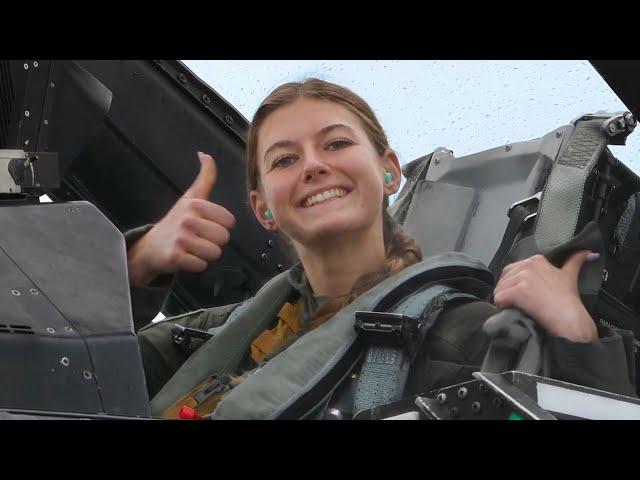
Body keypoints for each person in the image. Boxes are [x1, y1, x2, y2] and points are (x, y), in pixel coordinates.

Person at [126, 78, 636, 419]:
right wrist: (136, 267)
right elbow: (82, 372)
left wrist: (577, 337)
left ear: (389, 171)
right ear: (263, 209)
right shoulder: (229, 333)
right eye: (284, 159)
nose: (312, 166)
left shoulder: (460, 335)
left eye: (336, 144)